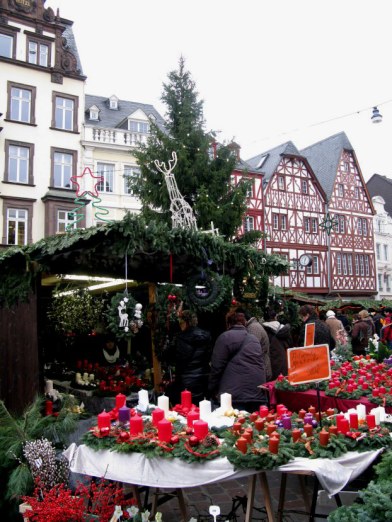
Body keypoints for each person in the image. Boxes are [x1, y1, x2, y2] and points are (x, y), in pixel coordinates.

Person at [208, 311, 266, 412]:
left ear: (228, 323)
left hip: (234, 395)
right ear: (244, 323)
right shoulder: (254, 339)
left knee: (233, 424)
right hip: (256, 391)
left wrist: (211, 389)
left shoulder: (224, 338)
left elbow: (217, 367)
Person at [170, 310, 212, 405]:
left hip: (187, 380)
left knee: (188, 410)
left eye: (181, 322)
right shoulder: (206, 336)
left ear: (186, 322)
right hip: (204, 377)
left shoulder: (182, 337)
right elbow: (208, 356)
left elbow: (181, 358)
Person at [237, 308, 272, 381]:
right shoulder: (253, 325)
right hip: (261, 367)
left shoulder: (253, 328)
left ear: (244, 318)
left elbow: (252, 351)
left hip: (261, 368)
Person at [261, 311, 292, 379]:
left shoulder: (263, 330)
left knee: (272, 384)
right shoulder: (284, 329)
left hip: (271, 360)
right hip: (284, 359)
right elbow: (290, 344)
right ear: (275, 317)